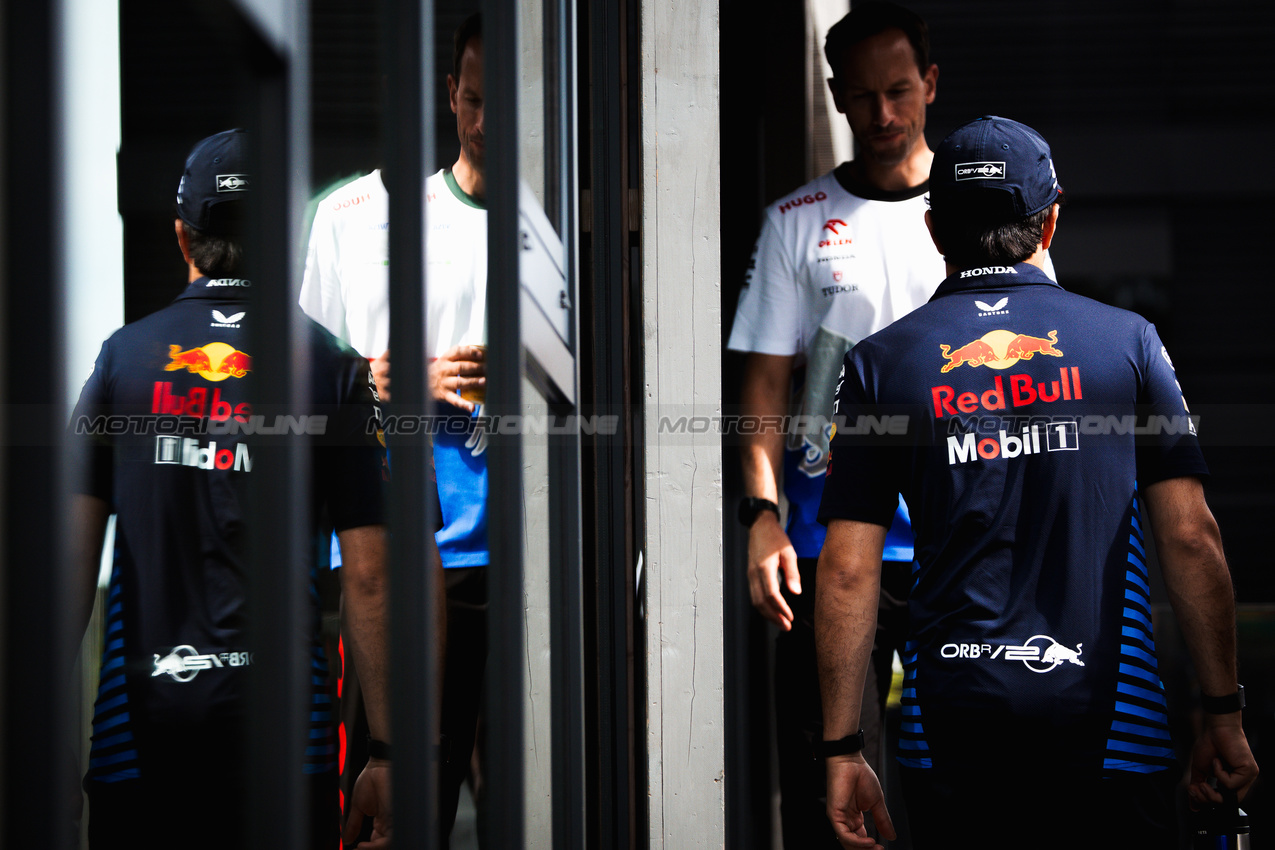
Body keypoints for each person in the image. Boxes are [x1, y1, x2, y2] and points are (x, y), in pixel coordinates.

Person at [815, 115, 1259, 850]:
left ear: (933, 230)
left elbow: (847, 571)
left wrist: (840, 750)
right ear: (1048, 221)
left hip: (952, 724)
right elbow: (1189, 534)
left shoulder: (878, 364)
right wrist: (1221, 713)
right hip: (1115, 725)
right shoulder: (1128, 343)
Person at [70, 129, 397, 849]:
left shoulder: (120, 363)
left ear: (182, 236)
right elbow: (372, 578)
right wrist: (388, 754)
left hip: (141, 738)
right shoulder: (332, 368)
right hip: (286, 741)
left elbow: (63, 569)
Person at [727, 4, 942, 844]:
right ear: (836, 98)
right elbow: (763, 384)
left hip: (960, 537)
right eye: (860, 97)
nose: (882, 116)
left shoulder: (978, 209)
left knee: (957, 773)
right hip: (827, 547)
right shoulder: (797, 219)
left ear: (930, 84)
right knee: (828, 784)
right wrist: (761, 515)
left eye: (898, 91)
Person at [300, 12, 488, 845]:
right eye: (473, 100)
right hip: (389, 552)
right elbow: (301, 390)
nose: (486, 122)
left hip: (519, 557)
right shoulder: (348, 215)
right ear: (450, 94)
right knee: (397, 802)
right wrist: (377, 381)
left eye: (501, 103)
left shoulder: (552, 222)